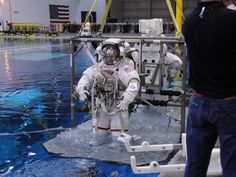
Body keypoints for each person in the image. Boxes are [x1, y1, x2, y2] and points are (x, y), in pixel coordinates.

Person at [183, 0, 236, 177]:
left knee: (194, 166)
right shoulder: (230, 18)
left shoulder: (189, 20)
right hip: (228, 102)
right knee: (232, 166)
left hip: (198, 101)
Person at [75, 38, 140, 146]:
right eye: (107, 56)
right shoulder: (98, 67)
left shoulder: (123, 68)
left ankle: (117, 151)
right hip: (101, 107)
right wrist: (81, 89)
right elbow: (85, 77)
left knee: (117, 137)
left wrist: (127, 98)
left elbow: (134, 82)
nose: (109, 59)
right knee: (99, 134)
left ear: (118, 56)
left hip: (118, 108)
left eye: (112, 56)